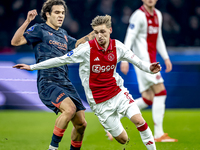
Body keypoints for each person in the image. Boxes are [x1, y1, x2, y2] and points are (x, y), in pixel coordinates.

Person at [13, 14, 161, 150]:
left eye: (102, 31)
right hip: (99, 103)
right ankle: (114, 125)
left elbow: (137, 62)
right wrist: (32, 66)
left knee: (139, 120)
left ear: (110, 30)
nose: (99, 35)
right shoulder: (86, 50)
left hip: (118, 93)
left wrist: (149, 68)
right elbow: (60, 60)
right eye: (96, 32)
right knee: (123, 139)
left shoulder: (118, 47)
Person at [11, 0, 94, 150]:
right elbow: (15, 42)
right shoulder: (39, 29)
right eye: (57, 12)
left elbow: (77, 45)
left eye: (62, 13)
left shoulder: (63, 34)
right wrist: (28, 21)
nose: (61, 16)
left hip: (65, 82)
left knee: (81, 124)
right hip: (48, 81)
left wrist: (94, 33)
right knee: (69, 110)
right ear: (47, 14)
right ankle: (52, 148)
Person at [120, 0, 178, 142]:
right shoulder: (138, 15)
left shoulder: (158, 14)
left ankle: (115, 118)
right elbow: (130, 37)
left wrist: (166, 57)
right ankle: (159, 135)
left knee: (148, 98)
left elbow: (158, 38)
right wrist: (124, 59)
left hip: (151, 61)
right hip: (144, 62)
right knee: (161, 92)